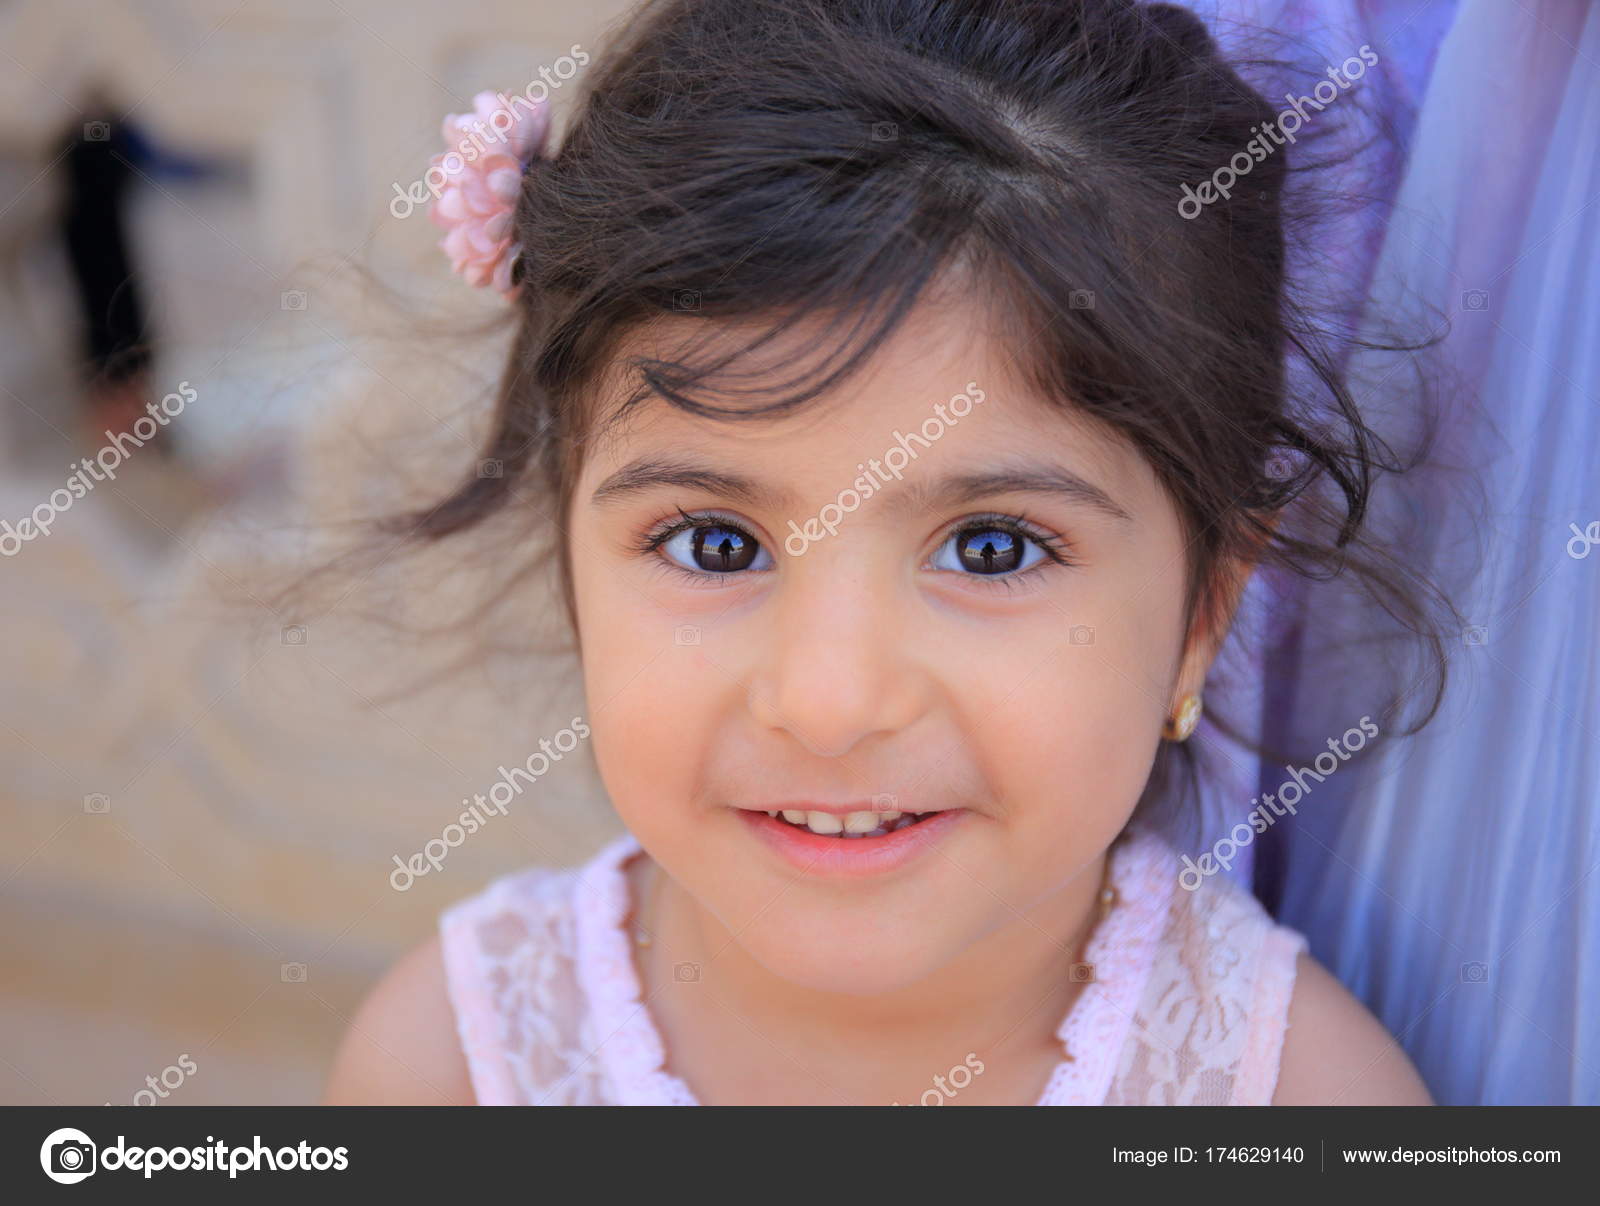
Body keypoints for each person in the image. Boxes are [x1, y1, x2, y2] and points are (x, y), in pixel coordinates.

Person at [325, 0, 1441, 1105]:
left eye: (993, 549)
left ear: (1205, 613)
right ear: (571, 558)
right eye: (716, 545)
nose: (830, 703)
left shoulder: (1301, 1103)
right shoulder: (450, 1068)